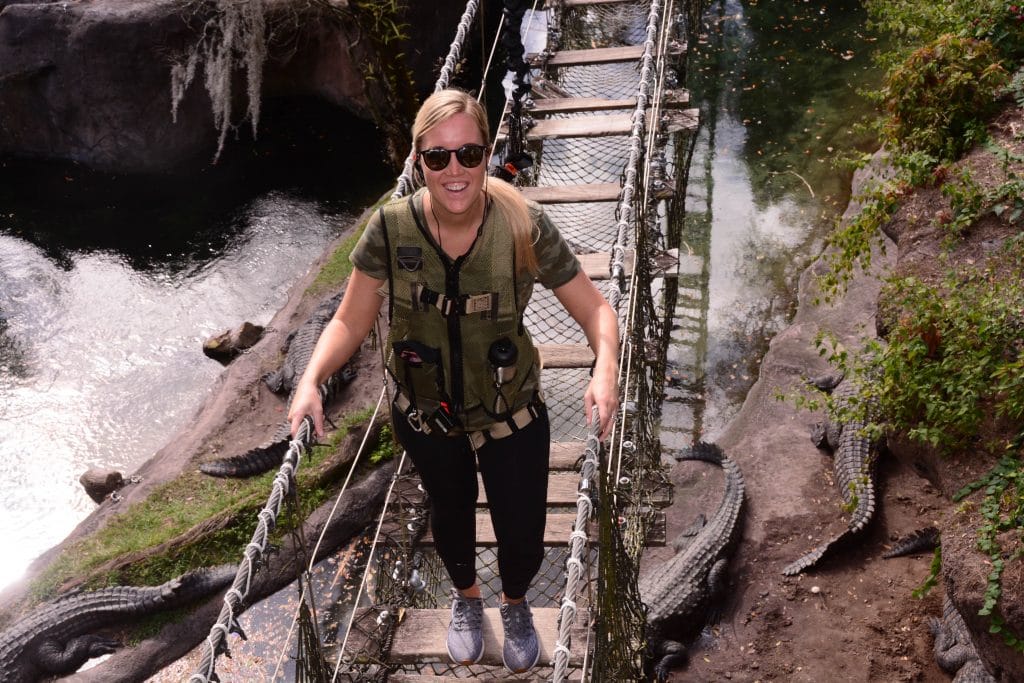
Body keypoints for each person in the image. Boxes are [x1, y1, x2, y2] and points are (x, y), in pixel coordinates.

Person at [288, 88, 619, 673]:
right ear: (418, 162)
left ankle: (514, 603)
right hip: (426, 415)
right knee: (450, 514)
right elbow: (350, 319)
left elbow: (596, 310)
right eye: (437, 157)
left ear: (488, 155)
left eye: (468, 153)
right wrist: (310, 379)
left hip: (510, 410)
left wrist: (606, 368)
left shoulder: (523, 225)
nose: (455, 170)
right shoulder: (390, 230)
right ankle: (467, 601)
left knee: (523, 534)